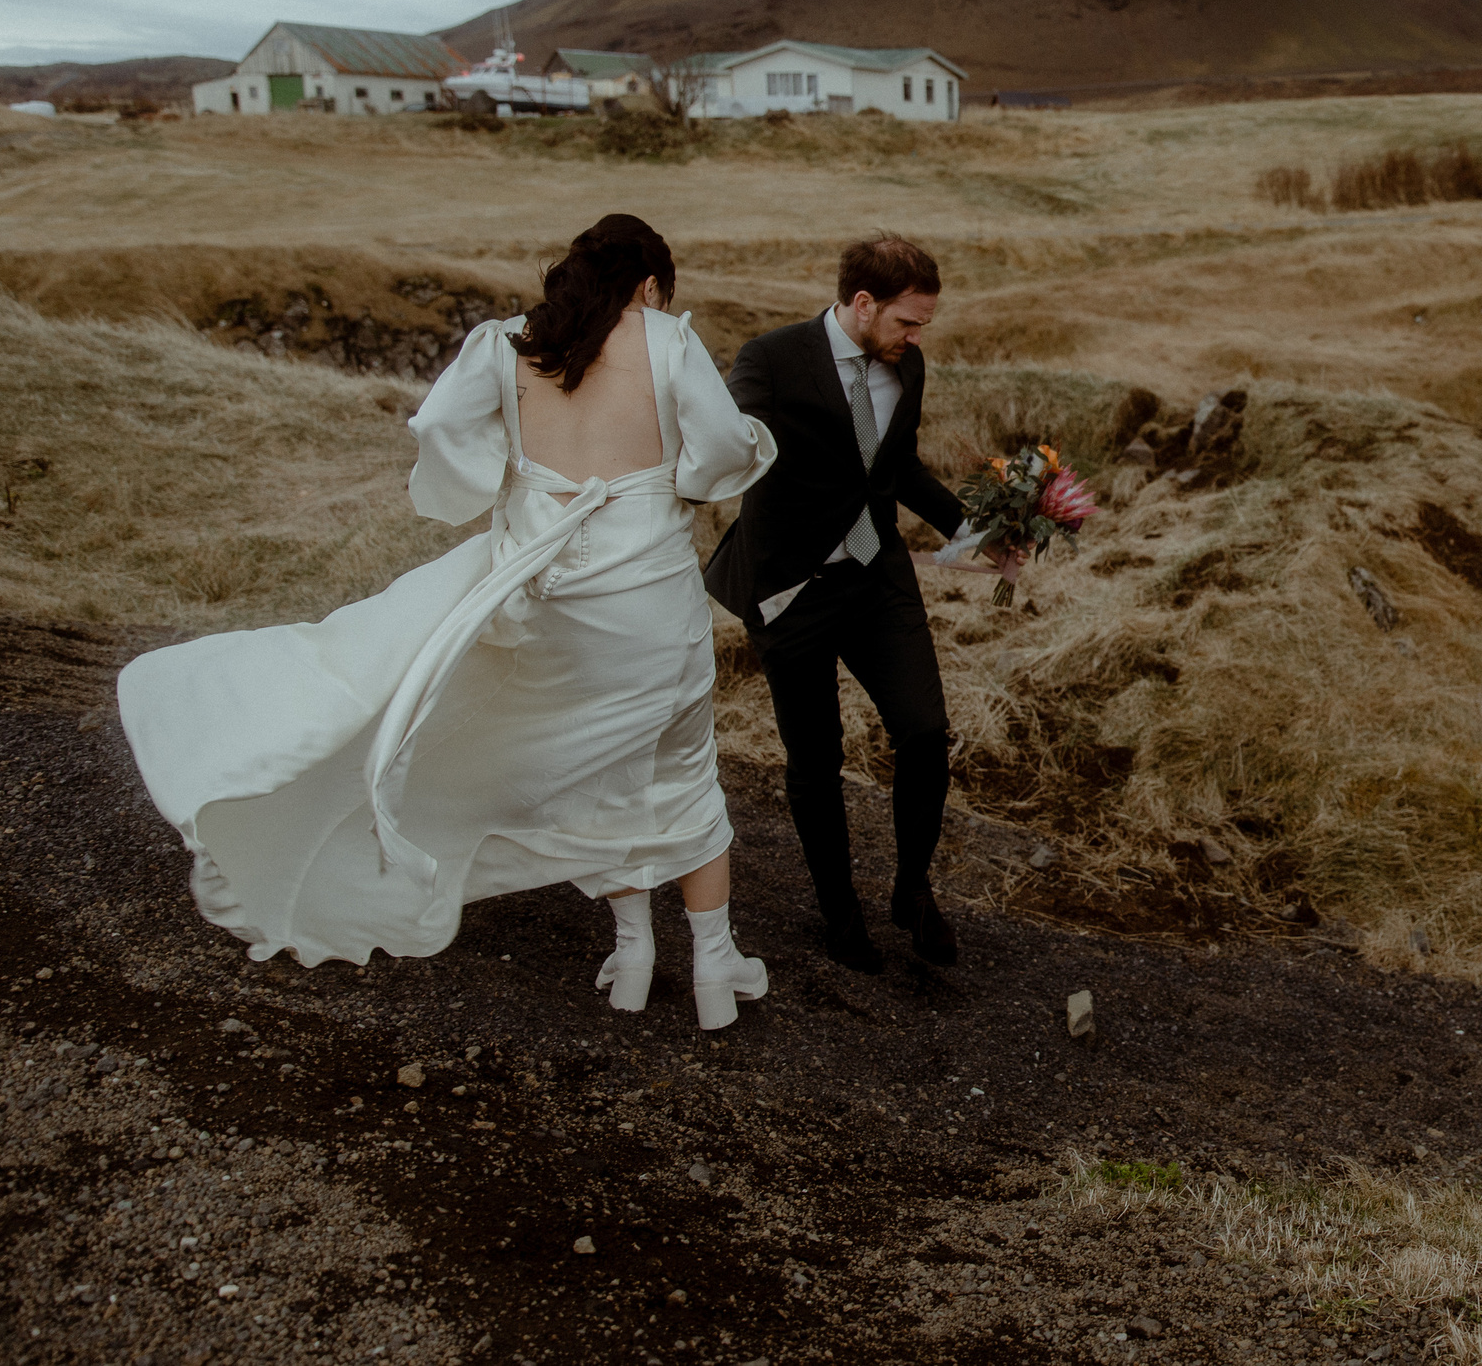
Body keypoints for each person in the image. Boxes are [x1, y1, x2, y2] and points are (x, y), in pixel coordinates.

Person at [117, 214, 780, 1029]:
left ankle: (634, 950)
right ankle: (716, 965)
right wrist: (693, 469)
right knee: (682, 766)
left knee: (598, 771)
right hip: (648, 603)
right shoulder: (667, 341)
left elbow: (436, 430)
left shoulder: (509, 344)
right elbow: (716, 452)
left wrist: (496, 483)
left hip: (552, 597)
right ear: (648, 284)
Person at [705, 235, 968, 972]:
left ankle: (911, 890)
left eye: (921, 326)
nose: (916, 339)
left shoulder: (904, 365)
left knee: (924, 731)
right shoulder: (770, 359)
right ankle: (838, 910)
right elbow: (727, 443)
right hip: (790, 589)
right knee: (813, 759)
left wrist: (970, 529)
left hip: (876, 578)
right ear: (862, 303)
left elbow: (898, 465)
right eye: (907, 322)